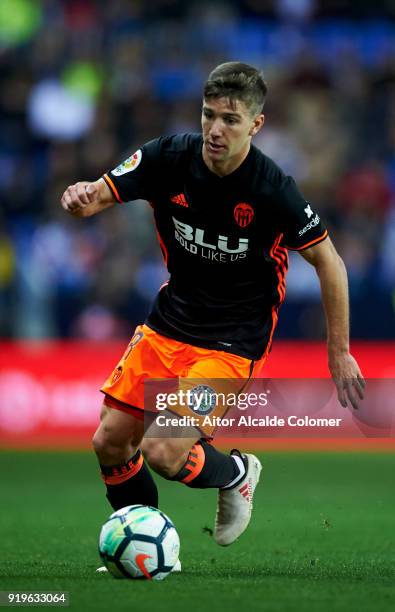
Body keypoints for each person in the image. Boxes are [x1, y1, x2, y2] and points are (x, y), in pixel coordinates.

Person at [61, 61, 365, 551]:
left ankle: (238, 473)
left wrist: (339, 350)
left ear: (256, 125)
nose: (215, 130)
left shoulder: (272, 189)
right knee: (110, 442)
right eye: (208, 115)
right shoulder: (167, 158)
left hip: (232, 340)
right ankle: (145, 549)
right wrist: (81, 197)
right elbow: (98, 194)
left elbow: (330, 262)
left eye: (230, 119)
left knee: (162, 449)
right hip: (169, 323)